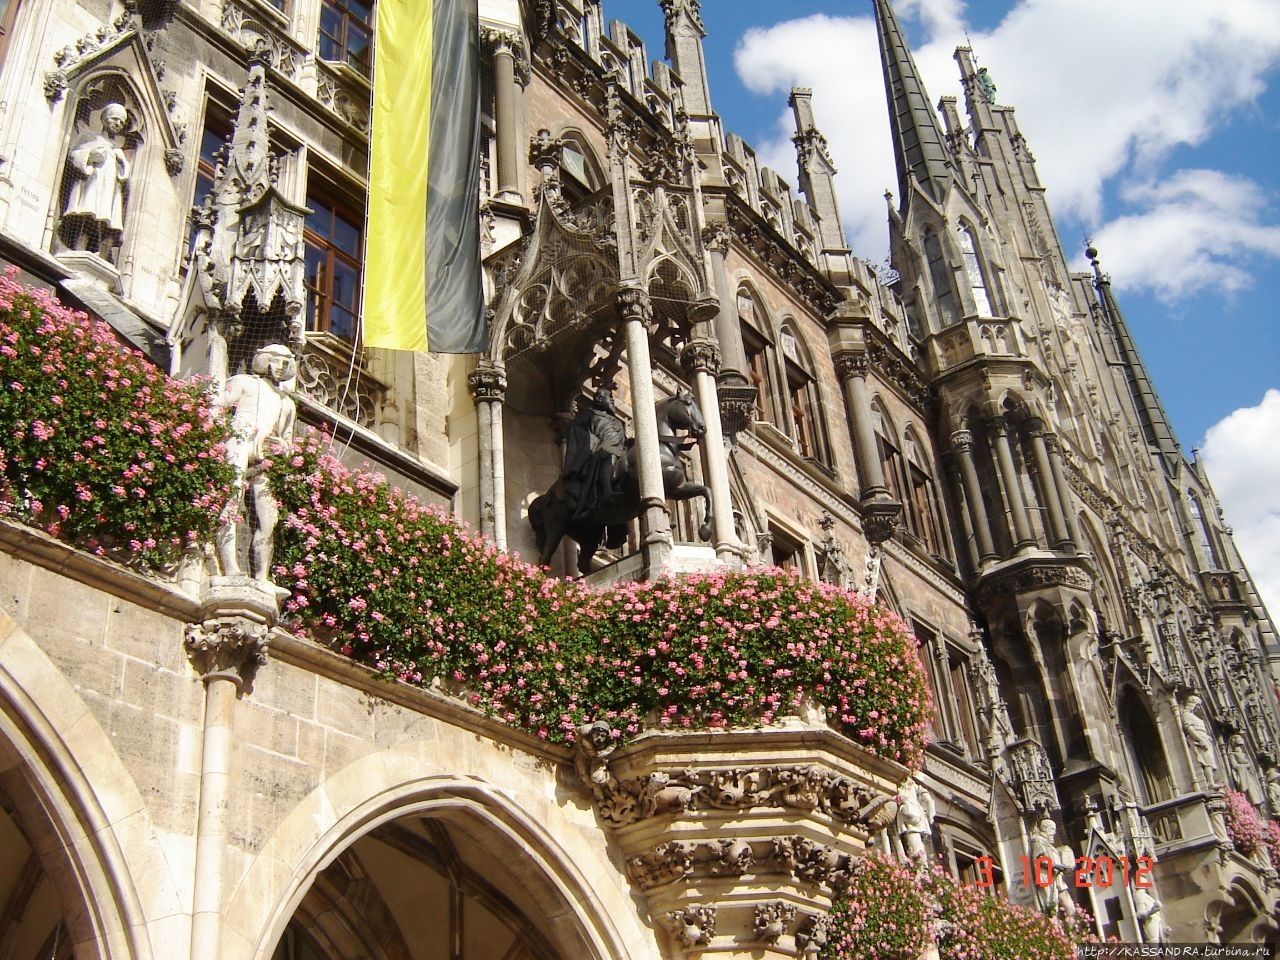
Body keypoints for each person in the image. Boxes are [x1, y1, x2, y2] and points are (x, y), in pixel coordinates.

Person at [216, 345, 297, 586]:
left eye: (286, 363)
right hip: (239, 443)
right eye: (276, 361)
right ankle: (230, 567)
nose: (280, 367)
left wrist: (282, 445)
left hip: (265, 457)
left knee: (269, 518)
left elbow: (289, 441)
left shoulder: (287, 403)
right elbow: (217, 405)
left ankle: (261, 577)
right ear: (265, 361)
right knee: (230, 501)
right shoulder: (245, 382)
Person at [62, 102, 130, 257]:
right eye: (114, 119)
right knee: (87, 213)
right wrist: (91, 155)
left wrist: (122, 163)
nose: (117, 124)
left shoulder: (117, 149)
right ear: (105, 119)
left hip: (108, 191)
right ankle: (79, 245)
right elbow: (73, 155)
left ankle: (96, 249)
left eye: (121, 122)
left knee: (102, 218)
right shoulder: (89, 137)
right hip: (90, 185)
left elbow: (123, 177)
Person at [561, 387, 628, 521]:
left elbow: (625, 440)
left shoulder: (617, 422)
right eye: (609, 397)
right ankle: (607, 491)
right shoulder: (589, 414)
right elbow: (574, 429)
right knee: (609, 454)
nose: (612, 400)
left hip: (620, 449)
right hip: (602, 449)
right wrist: (591, 440)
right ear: (598, 399)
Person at [1030, 817, 1077, 918]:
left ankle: (1072, 931)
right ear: (1045, 829)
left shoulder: (1049, 845)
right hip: (1048, 880)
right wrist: (1055, 865)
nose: (1054, 833)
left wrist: (1065, 868)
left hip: (1057, 879)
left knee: (1070, 907)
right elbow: (1039, 858)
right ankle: (1056, 929)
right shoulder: (1038, 841)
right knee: (1052, 910)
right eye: (1052, 829)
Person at [1181, 694, 1218, 782]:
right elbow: (1189, 728)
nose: (1199, 708)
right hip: (1199, 740)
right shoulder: (1186, 714)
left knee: (1210, 762)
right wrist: (1200, 739)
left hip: (1204, 739)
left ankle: (1211, 781)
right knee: (1206, 761)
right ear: (1192, 704)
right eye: (1197, 705)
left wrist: (1206, 737)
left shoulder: (1195, 717)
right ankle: (1211, 783)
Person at [897, 777, 935, 860]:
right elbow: (928, 799)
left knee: (915, 841)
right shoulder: (913, 784)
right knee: (917, 841)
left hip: (910, 811)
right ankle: (920, 863)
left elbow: (928, 799)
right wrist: (930, 813)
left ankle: (920, 866)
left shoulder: (905, 783)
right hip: (916, 811)